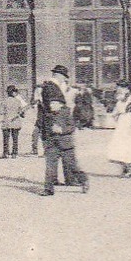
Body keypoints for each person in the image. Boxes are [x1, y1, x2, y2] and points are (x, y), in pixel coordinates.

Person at [39, 65, 88, 196]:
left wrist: (61, 129)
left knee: (72, 166)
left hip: (65, 143)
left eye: (55, 103)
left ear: (61, 104)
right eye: (64, 78)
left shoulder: (64, 112)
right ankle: (48, 189)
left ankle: (83, 180)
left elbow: (71, 126)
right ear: (59, 75)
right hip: (52, 140)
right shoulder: (51, 88)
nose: (51, 105)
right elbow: (46, 114)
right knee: (50, 166)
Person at [106, 82, 131, 177]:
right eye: (118, 88)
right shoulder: (120, 98)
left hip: (130, 122)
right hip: (122, 122)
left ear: (126, 88)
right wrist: (114, 115)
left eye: (119, 88)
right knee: (122, 145)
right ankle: (124, 169)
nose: (118, 89)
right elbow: (117, 110)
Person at [0, 85, 27, 157]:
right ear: (14, 93)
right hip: (15, 122)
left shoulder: (4, 101)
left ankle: (5, 153)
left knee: (6, 138)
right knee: (15, 138)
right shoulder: (18, 101)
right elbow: (22, 114)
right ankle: (14, 153)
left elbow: (0, 112)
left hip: (6, 122)